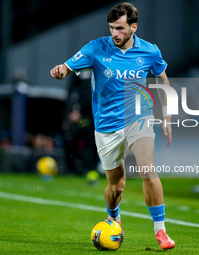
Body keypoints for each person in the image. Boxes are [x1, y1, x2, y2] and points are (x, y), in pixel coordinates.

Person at [50, 2, 175, 250]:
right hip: (106, 124)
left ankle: (160, 230)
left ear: (133, 27)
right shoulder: (96, 48)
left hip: (138, 118)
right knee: (116, 186)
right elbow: (67, 67)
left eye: (119, 28)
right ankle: (113, 216)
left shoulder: (149, 51)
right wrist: (60, 71)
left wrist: (168, 115)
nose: (114, 34)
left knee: (147, 168)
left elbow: (162, 77)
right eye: (111, 28)